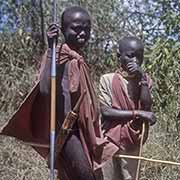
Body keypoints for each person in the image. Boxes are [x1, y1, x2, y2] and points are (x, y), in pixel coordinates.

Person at [1, 6, 118, 180]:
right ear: (63, 30)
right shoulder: (57, 57)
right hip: (66, 131)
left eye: (86, 29)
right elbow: (45, 90)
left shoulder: (78, 59)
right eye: (76, 28)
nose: (82, 33)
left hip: (82, 131)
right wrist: (50, 49)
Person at [98, 36, 156, 180]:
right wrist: (138, 113)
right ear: (119, 55)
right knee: (108, 176)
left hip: (133, 140)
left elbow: (147, 107)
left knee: (130, 176)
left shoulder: (145, 81)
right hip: (109, 139)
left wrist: (142, 78)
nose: (135, 61)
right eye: (130, 56)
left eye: (139, 57)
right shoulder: (108, 79)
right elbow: (106, 112)